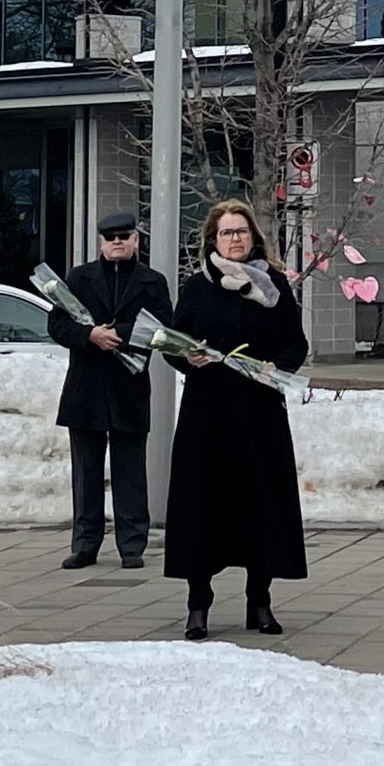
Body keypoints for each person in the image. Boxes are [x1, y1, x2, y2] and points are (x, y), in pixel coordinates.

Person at [162, 199, 308, 642]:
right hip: (208, 415)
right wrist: (189, 358)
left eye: (242, 232)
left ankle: (259, 601)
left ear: (253, 237)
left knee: (260, 504)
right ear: (213, 239)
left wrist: (274, 368)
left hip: (259, 412)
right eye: (227, 233)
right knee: (201, 505)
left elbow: (295, 343)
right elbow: (172, 342)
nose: (235, 239)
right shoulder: (197, 287)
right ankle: (198, 605)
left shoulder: (275, 284)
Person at [55, 209, 174, 571]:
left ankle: (132, 545)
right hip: (86, 388)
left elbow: (164, 327)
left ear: (137, 239)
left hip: (129, 387)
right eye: (111, 237)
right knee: (86, 472)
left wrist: (118, 334)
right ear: (101, 243)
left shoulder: (152, 281)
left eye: (125, 236)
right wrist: (90, 335)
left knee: (130, 471)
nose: (118, 242)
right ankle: (85, 543)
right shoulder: (79, 278)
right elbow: (57, 324)